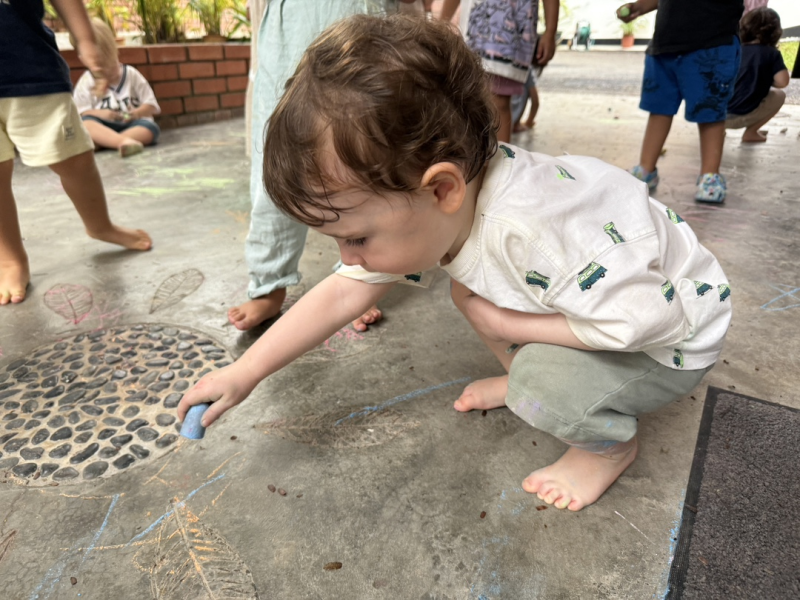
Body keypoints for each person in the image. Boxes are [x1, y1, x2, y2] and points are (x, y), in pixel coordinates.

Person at [179, 14, 732, 512]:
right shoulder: (449, 201)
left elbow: (649, 321)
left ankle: (605, 447)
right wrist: (244, 373)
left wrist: (508, 324)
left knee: (523, 357)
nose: (348, 258)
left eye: (357, 238)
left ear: (442, 188)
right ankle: (522, 378)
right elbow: (346, 290)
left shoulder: (531, 232)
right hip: (617, 304)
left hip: (672, 339)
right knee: (470, 293)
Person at [228, 0, 424, 332]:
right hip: (290, 16)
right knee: (276, 148)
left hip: (359, 9)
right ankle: (268, 282)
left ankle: (362, 277)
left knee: (366, 151)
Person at [0, 0, 152, 306]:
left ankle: (100, 225)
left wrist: (85, 39)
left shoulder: (131, 74)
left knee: (74, 159)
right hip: (80, 108)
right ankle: (9, 259)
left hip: (29, 69)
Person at [619, 0, 744, 203]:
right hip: (665, 43)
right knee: (659, 108)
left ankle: (710, 175)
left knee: (709, 111)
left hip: (711, 41)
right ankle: (646, 169)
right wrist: (640, 7)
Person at [440, 0, 559, 143]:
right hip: (476, 31)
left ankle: (501, 154)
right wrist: (441, 23)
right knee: (465, 96)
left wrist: (550, 31)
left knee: (499, 101)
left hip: (511, 35)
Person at [72, 18, 161, 158]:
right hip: (102, 126)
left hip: (131, 125)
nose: (109, 71)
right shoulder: (86, 81)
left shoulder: (131, 74)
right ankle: (122, 142)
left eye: (112, 63)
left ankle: (106, 142)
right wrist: (101, 114)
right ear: (84, 60)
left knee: (151, 129)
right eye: (102, 68)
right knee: (86, 124)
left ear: (116, 50)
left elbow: (152, 106)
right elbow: (80, 112)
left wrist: (136, 113)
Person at [725, 7, 789, 143]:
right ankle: (751, 132)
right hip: (740, 116)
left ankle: (716, 131)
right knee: (779, 95)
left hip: (713, 117)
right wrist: (764, 78)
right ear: (775, 33)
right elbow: (783, 82)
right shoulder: (771, 54)